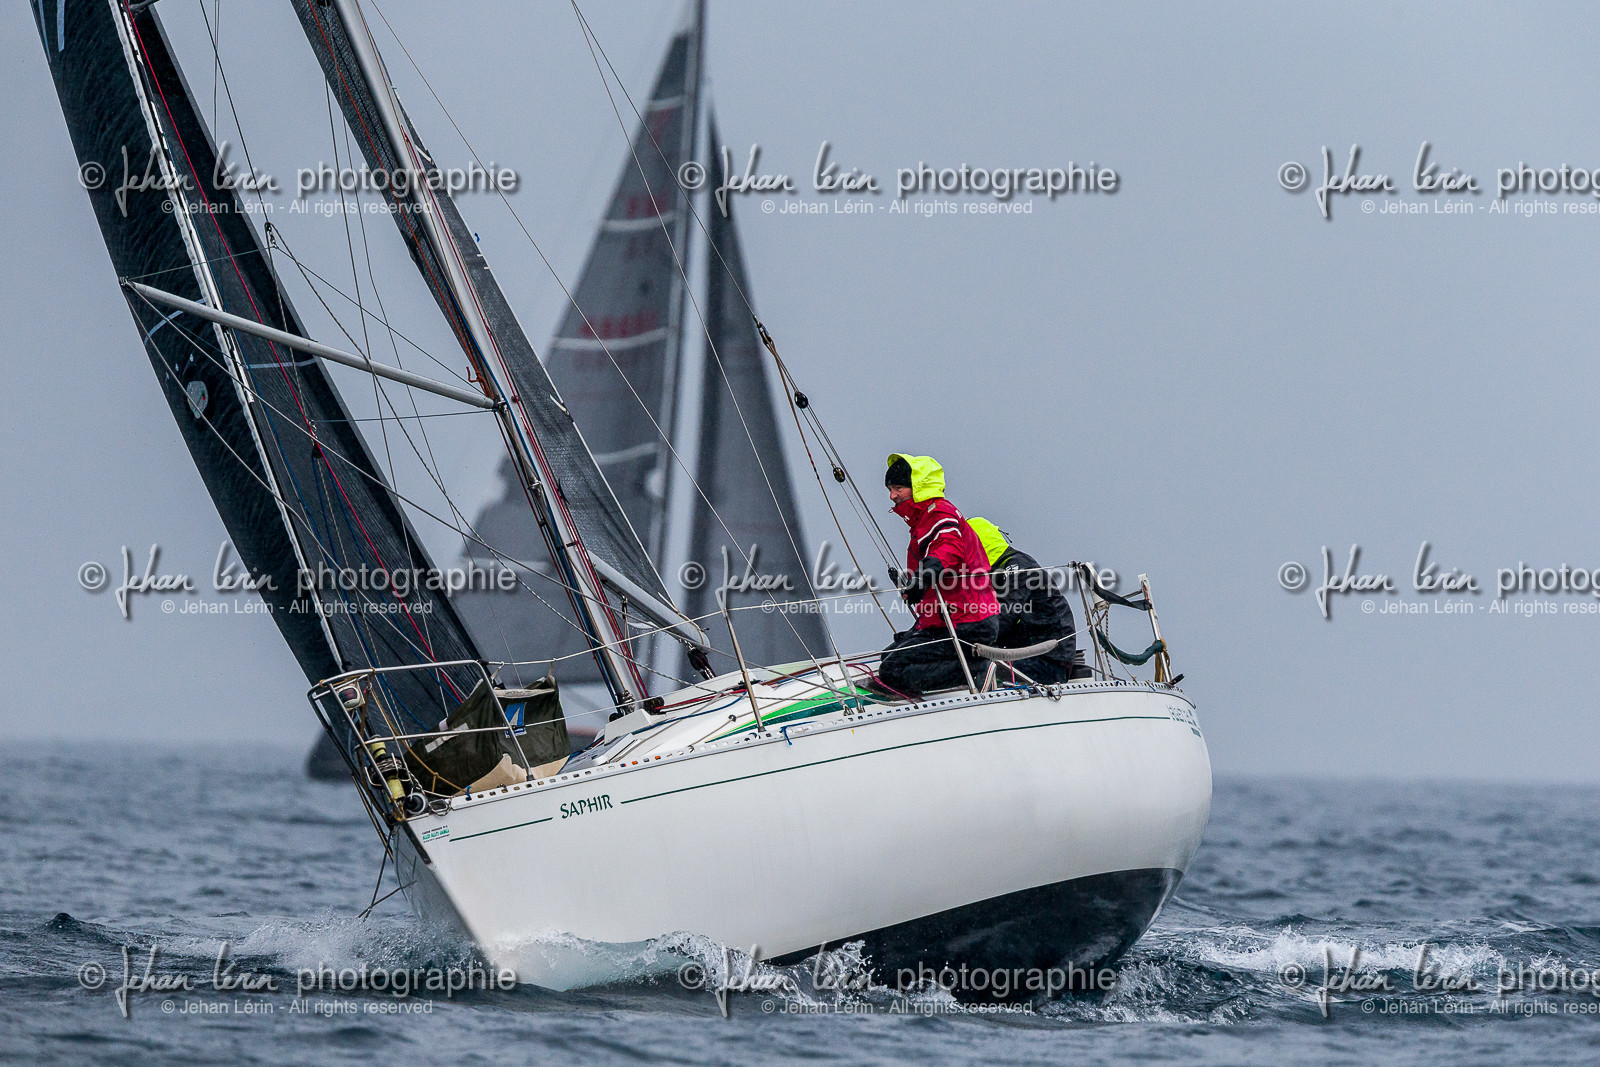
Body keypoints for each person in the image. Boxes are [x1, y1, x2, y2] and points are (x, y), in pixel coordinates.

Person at [874, 453, 1000, 698]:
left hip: (968, 620)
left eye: (898, 487)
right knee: (889, 658)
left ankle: (977, 671)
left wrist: (921, 579)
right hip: (950, 618)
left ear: (917, 487)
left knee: (893, 669)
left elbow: (949, 548)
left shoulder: (939, 513)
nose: (892, 495)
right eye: (890, 489)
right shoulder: (923, 520)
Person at [965, 517, 1079, 684]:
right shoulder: (992, 573)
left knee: (976, 671)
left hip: (1048, 661)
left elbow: (1004, 616)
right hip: (1027, 655)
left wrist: (963, 632)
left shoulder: (1017, 567)